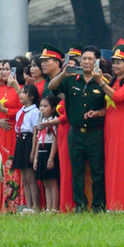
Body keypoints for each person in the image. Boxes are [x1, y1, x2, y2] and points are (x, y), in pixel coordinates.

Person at [47, 44, 108, 213]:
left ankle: (98, 206)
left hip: (95, 133)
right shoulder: (71, 79)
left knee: (98, 172)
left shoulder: (102, 82)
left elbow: (110, 106)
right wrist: (63, 73)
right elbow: (52, 87)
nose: (86, 62)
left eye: (90, 59)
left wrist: (99, 112)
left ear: (97, 61)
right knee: (77, 172)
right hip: (76, 133)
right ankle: (79, 205)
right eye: (84, 58)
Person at [103, 43, 124, 211]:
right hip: (108, 126)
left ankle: (123, 203)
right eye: (114, 62)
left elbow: (118, 97)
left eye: (119, 62)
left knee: (121, 164)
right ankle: (111, 202)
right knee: (110, 164)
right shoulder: (112, 81)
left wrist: (101, 84)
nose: (115, 65)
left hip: (122, 125)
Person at [11, 83, 42, 213]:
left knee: (30, 176)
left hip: (29, 141)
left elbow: (35, 132)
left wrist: (33, 152)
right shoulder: (20, 112)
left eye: (24, 92)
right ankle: (28, 205)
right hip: (20, 142)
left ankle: (35, 205)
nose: (21, 95)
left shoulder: (35, 112)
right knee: (24, 177)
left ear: (32, 96)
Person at [34, 95, 62, 212]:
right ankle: (48, 207)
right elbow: (38, 140)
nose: (42, 109)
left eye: (45, 106)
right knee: (45, 181)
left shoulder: (54, 122)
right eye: (41, 106)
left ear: (53, 108)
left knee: (52, 181)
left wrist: (51, 158)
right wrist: (35, 158)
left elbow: (55, 140)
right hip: (41, 150)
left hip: (50, 151)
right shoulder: (41, 121)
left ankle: (54, 207)